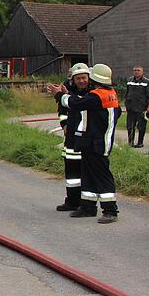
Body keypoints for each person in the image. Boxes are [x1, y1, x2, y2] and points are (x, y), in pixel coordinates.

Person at [52, 63, 120, 223]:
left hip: (98, 144)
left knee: (102, 177)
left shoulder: (97, 96)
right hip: (93, 142)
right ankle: (88, 207)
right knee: (87, 175)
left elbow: (75, 104)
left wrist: (59, 95)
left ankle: (111, 210)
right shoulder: (109, 93)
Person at [54, 62, 89, 212]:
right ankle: (72, 201)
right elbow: (62, 110)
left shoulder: (93, 91)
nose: (81, 81)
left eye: (84, 78)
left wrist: (66, 94)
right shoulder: (66, 90)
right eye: (78, 78)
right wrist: (64, 124)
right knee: (71, 174)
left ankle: (85, 203)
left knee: (86, 172)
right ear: (73, 79)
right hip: (71, 139)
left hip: (87, 138)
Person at [124, 65, 149, 147]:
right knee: (130, 126)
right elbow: (127, 92)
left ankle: (140, 142)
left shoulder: (147, 82)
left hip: (141, 107)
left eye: (138, 70)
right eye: (135, 70)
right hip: (131, 107)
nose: (136, 72)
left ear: (142, 71)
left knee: (141, 126)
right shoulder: (129, 80)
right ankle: (130, 142)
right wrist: (126, 102)